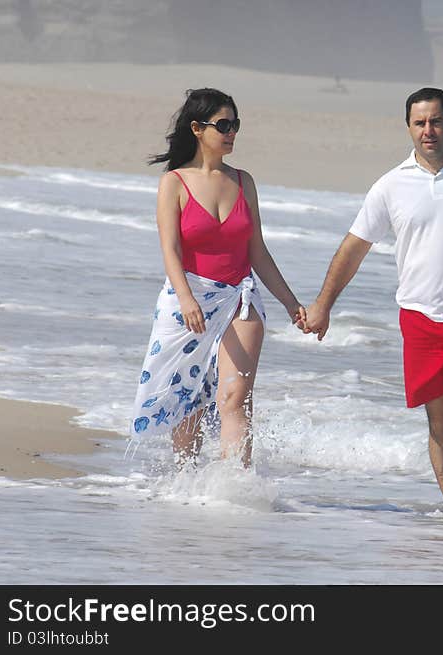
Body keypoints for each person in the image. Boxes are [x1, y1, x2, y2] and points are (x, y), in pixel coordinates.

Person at [301, 87, 443, 511]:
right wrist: (323, 304)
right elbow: (353, 248)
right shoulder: (391, 185)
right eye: (420, 123)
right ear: (408, 127)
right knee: (440, 421)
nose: (429, 130)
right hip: (420, 317)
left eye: (436, 121)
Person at [130, 88, 305, 468]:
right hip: (187, 299)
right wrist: (187, 299)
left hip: (240, 300)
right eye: (223, 125)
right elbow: (170, 251)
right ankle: (188, 481)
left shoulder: (244, 181)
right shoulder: (173, 182)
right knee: (187, 402)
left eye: (235, 125)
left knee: (234, 398)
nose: (231, 133)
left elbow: (257, 250)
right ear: (197, 128)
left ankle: (236, 488)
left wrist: (291, 303)